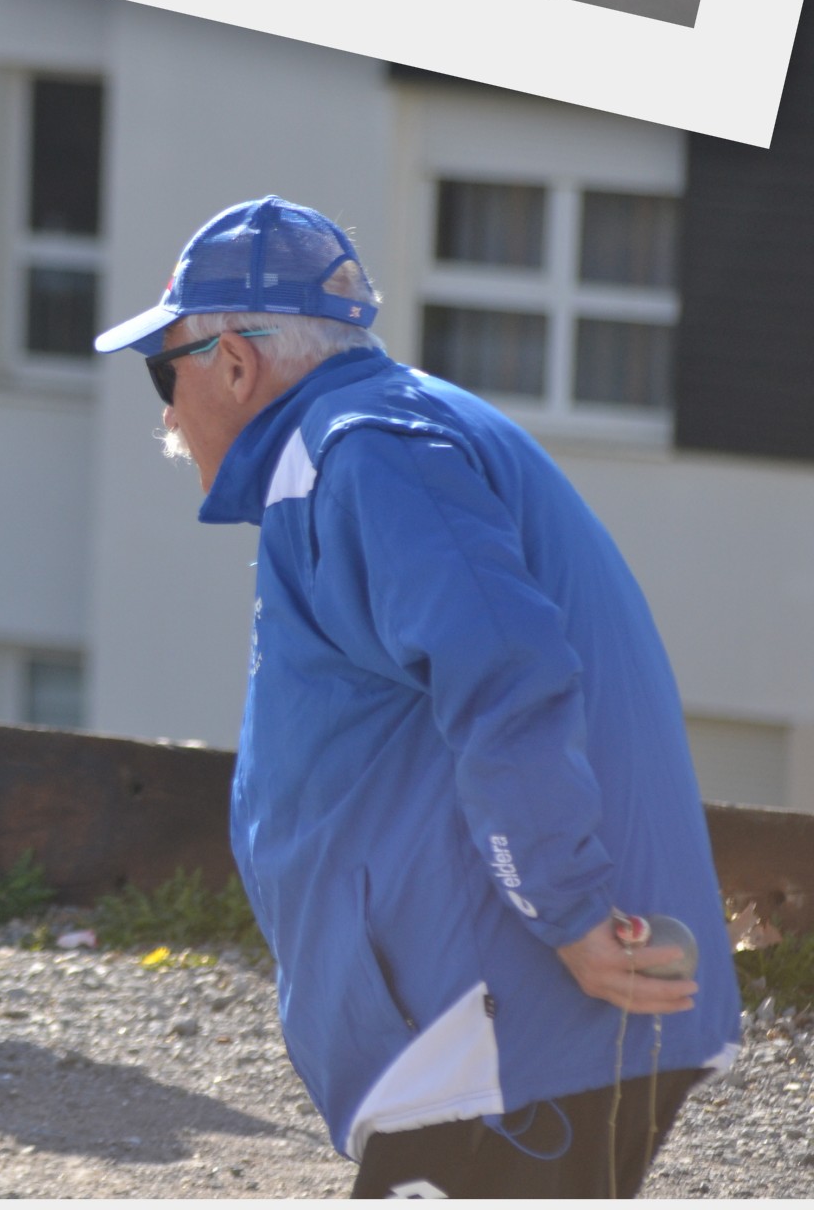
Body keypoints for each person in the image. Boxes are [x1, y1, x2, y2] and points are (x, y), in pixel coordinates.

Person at [105, 200, 731, 1196]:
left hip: (507, 1025)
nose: (164, 413)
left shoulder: (366, 449)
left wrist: (568, 913)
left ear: (232, 362)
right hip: (491, 1021)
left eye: (161, 370)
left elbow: (504, 675)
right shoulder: (370, 433)